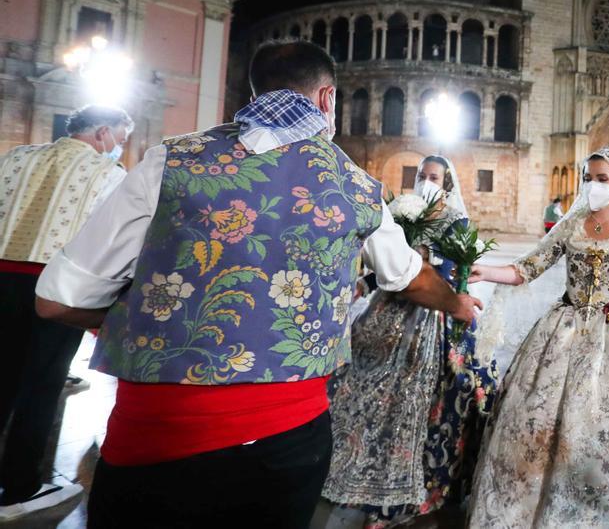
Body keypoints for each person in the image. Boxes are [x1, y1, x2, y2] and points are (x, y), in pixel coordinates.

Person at [33, 40, 482, 527]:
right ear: (328, 99)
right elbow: (410, 277)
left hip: (155, 434)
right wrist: (455, 303)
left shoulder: (171, 162)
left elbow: (57, 301)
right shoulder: (355, 186)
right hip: (287, 438)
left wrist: (147, 319)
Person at [466, 146, 609, 527]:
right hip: (564, 336)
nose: (593, 186)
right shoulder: (572, 223)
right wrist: (486, 271)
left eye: (602, 179)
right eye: (588, 178)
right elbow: (529, 266)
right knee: (544, 425)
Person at [322, 155, 498, 527]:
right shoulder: (402, 212)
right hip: (390, 308)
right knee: (359, 379)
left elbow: (456, 273)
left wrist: (431, 270)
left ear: (447, 183)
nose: (426, 181)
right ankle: (354, 461)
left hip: (432, 311)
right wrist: (363, 284)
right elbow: (386, 263)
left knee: (426, 391)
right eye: (421, 175)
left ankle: (418, 485)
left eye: (434, 177)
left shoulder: (456, 221)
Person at [0, 106, 131, 520]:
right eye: (122, 139)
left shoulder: (16, 157)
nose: (119, 148)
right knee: (42, 383)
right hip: (56, 287)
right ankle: (20, 489)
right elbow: (109, 244)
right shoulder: (108, 175)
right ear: (104, 133)